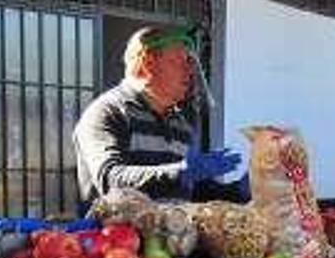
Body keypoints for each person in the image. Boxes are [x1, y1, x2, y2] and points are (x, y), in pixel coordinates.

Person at [73, 25, 243, 210]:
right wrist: (181, 172)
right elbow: (110, 179)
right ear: (148, 63)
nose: (190, 71)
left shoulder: (181, 124)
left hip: (173, 237)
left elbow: (193, 190)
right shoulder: (109, 112)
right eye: (180, 61)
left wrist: (240, 190)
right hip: (116, 238)